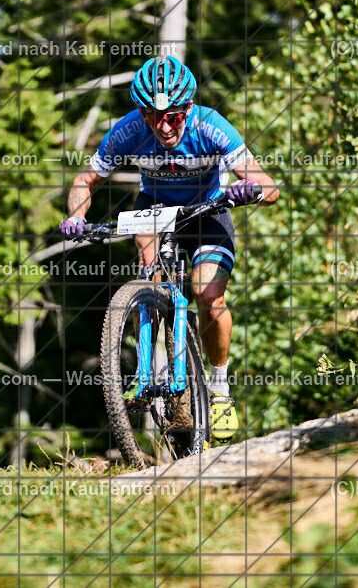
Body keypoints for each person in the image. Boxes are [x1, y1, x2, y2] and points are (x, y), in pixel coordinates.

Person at [59, 56, 279, 442]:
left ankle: (220, 390)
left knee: (208, 296)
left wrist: (254, 190)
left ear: (188, 109)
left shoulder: (212, 126)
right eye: (152, 116)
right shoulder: (127, 130)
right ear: (141, 113)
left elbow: (270, 185)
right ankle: (153, 369)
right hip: (155, 209)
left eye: (173, 117)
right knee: (152, 284)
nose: (163, 127)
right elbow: (85, 179)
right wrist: (76, 216)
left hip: (208, 211)